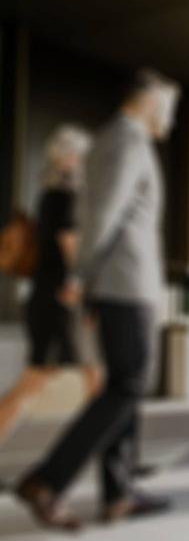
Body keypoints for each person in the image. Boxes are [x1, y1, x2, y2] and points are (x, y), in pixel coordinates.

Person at [15, 69, 179, 530]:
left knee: (123, 385)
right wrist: (82, 277)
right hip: (125, 285)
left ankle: (118, 493)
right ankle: (48, 480)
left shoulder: (114, 140)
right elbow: (103, 215)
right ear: (149, 100)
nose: (172, 117)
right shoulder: (126, 141)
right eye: (170, 106)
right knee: (127, 385)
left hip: (122, 284)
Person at [0, 126, 103, 442]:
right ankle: (116, 459)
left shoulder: (51, 196)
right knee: (40, 381)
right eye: (84, 157)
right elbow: (71, 251)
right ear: (69, 158)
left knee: (89, 377)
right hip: (61, 301)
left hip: (50, 299)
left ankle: (116, 458)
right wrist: (85, 294)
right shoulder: (64, 196)